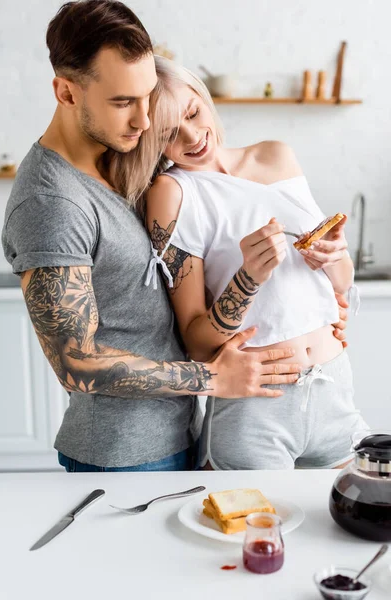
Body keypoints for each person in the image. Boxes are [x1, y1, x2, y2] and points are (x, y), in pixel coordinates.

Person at [1, 0, 309, 472]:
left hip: (180, 433)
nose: (144, 121)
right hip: (122, 456)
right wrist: (210, 377)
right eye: (123, 102)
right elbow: (75, 363)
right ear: (66, 92)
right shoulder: (51, 202)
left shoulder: (123, 162)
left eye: (147, 97)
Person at [138, 56, 366, 470]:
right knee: (254, 530)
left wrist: (335, 257)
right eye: (170, 133)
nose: (192, 136)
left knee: (356, 522)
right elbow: (197, 341)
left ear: (203, 97)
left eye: (193, 113)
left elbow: (341, 285)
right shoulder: (171, 193)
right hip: (257, 404)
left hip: (334, 388)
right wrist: (248, 277)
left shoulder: (277, 155)